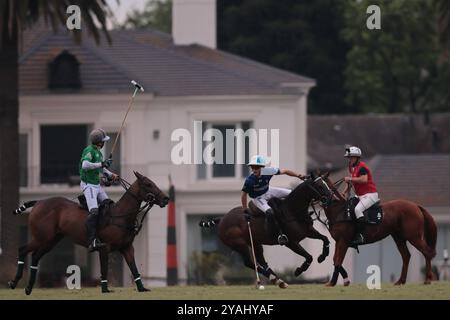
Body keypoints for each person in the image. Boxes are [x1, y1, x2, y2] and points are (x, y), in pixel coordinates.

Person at [241, 155, 304, 245]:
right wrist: (245, 210)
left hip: (268, 190)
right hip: (258, 198)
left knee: (293, 194)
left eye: (257, 167)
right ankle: (276, 234)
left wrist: (298, 175)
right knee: (270, 212)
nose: (254, 169)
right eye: (252, 167)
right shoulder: (250, 180)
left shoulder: (268, 171)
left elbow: (285, 171)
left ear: (262, 168)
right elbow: (243, 195)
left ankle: (300, 214)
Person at [79, 128, 118, 252]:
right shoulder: (89, 150)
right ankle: (92, 241)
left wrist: (111, 174)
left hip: (97, 185)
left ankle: (105, 232)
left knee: (108, 204)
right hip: (88, 185)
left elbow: (101, 168)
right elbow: (85, 165)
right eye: (103, 141)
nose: (104, 143)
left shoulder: (98, 152)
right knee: (94, 211)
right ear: (99, 142)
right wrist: (102, 164)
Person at [343, 146, 379, 245]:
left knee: (358, 210)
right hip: (360, 195)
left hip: (370, 195)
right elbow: (352, 182)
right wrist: (344, 191)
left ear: (357, 158)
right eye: (349, 158)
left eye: (351, 157)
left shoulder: (362, 167)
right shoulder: (352, 168)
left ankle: (361, 236)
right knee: (349, 207)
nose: (350, 159)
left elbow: (364, 180)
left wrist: (350, 179)